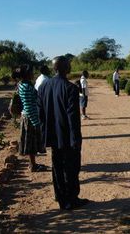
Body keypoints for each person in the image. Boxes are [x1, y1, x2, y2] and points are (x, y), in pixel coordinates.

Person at [37, 55, 90, 210]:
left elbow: (40, 115)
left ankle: (61, 198)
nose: (70, 66)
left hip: (53, 136)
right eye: (68, 64)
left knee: (57, 167)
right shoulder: (71, 88)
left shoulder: (43, 87)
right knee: (71, 168)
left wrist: (44, 134)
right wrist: (76, 140)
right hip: (67, 137)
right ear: (64, 68)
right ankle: (72, 199)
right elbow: (73, 118)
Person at [14, 65, 46, 172]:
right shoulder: (27, 87)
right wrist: (35, 121)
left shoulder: (22, 84)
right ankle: (33, 165)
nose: (33, 74)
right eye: (32, 72)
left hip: (27, 116)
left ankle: (33, 164)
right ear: (27, 74)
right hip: (30, 117)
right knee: (31, 142)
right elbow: (28, 105)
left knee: (30, 142)